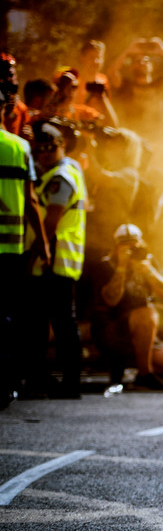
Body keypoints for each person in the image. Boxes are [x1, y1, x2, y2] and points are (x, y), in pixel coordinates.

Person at [22, 122, 87, 398]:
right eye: (41, 150)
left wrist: (32, 256)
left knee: (61, 325)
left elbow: (51, 222)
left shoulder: (62, 177)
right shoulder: (56, 172)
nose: (45, 155)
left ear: (61, 145)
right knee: (41, 323)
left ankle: (70, 383)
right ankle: (40, 379)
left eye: (51, 149)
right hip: (52, 261)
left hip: (54, 261)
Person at [88, 223, 163, 390]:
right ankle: (144, 375)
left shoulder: (146, 263)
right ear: (116, 247)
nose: (132, 250)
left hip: (143, 331)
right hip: (112, 330)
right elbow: (111, 300)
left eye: (135, 245)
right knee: (147, 314)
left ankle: (133, 365)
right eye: (127, 246)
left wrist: (148, 271)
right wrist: (122, 267)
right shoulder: (105, 265)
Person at [1, 125, 45, 407]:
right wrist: (42, 241)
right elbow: (30, 199)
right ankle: (5, 385)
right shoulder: (18, 147)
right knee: (6, 318)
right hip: (9, 249)